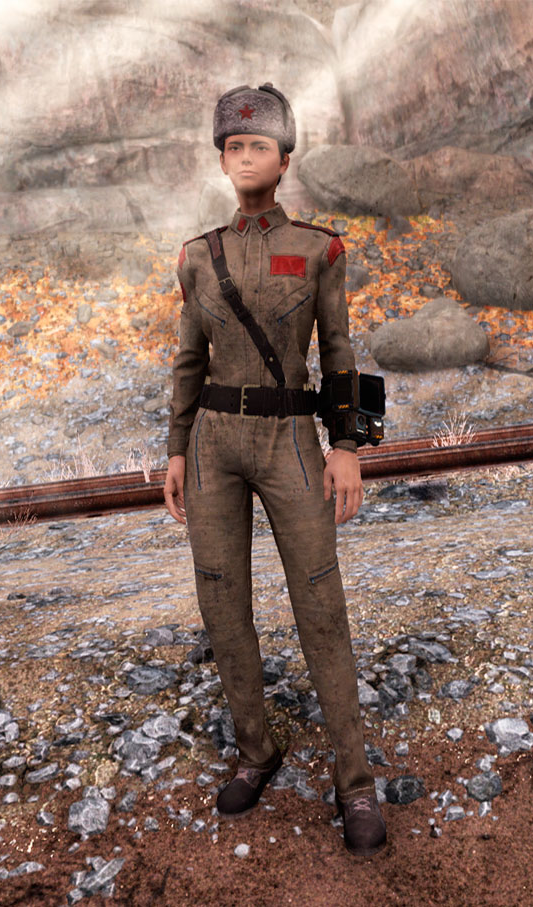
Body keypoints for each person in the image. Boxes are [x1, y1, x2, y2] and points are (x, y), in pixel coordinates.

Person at [159, 82, 387, 857]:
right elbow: (187, 360)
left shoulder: (320, 249)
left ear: (284, 160)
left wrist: (348, 444)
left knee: (321, 602)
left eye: (260, 146)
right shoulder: (198, 256)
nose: (246, 157)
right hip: (215, 442)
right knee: (222, 601)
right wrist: (176, 448)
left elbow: (342, 349)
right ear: (223, 159)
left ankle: (355, 780)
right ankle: (256, 749)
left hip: (291, 435)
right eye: (235, 146)